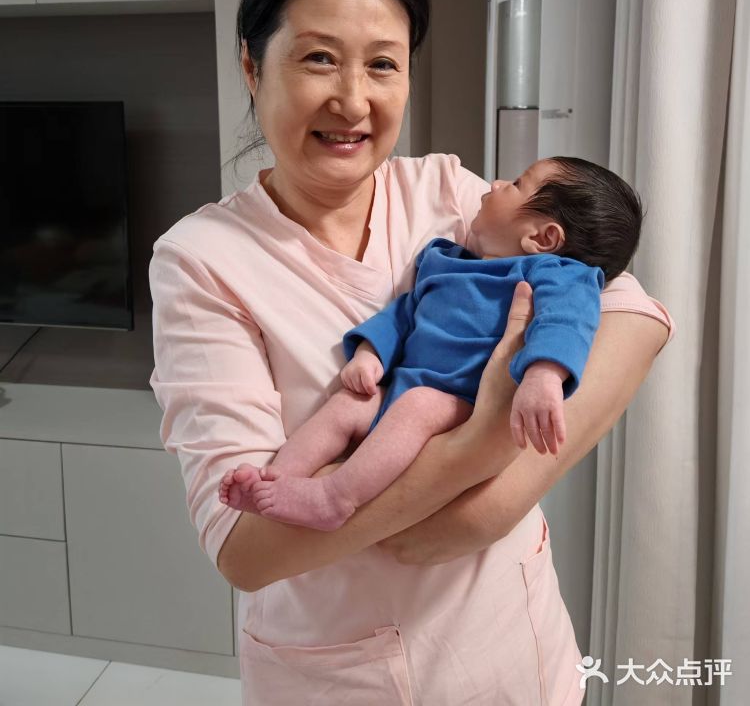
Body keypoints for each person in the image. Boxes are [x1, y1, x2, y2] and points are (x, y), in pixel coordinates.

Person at [148, 0, 674, 706]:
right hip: (346, 675)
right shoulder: (202, 259)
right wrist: (474, 451)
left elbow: (636, 312)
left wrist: (500, 500)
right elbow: (247, 551)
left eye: (383, 64)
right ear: (253, 67)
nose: (353, 100)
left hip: (518, 652)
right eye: (319, 57)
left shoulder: (445, 192)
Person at [218, 155, 642, 533]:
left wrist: (543, 375)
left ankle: (335, 499)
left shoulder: (557, 274)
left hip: (462, 405)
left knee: (419, 405)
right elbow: (404, 314)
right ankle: (276, 480)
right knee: (348, 403)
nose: (495, 184)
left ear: (543, 238)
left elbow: (568, 320)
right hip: (400, 391)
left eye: (516, 184)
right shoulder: (445, 261)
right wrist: (370, 353)